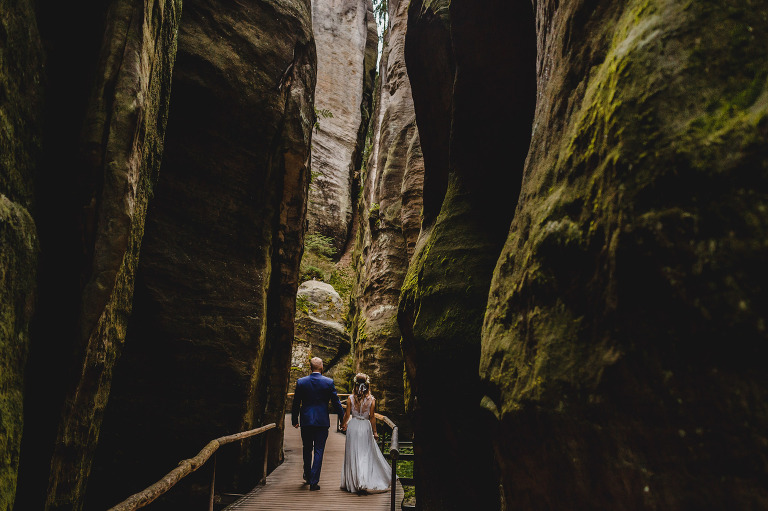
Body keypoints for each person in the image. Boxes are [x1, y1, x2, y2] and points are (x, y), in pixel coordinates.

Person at [292, 357, 344, 491]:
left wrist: (294, 420)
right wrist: (343, 419)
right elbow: (336, 403)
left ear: (310, 368)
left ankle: (308, 475)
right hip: (321, 421)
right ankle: (314, 481)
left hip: (306, 420)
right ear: (321, 368)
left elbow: (296, 402)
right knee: (319, 450)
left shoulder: (301, 382)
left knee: (307, 448)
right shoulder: (328, 382)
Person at [340, 373, 392, 494]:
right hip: (365, 427)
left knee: (353, 453)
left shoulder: (350, 398)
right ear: (368, 385)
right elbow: (372, 417)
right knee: (364, 454)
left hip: (353, 426)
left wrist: (343, 424)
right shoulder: (371, 400)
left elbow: (347, 415)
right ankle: (362, 480)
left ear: (355, 384)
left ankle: (353, 482)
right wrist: (375, 432)